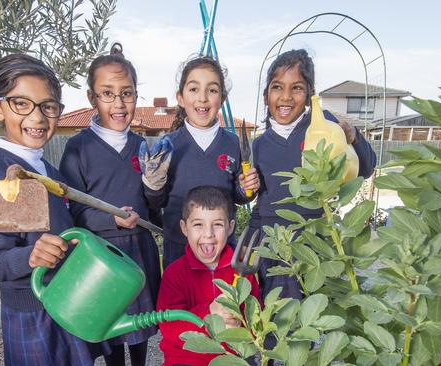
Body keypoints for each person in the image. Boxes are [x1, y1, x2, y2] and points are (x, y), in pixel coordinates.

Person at [0, 54, 106, 365]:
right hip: (34, 314)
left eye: (48, 106)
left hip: (64, 302)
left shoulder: (45, 171)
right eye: (22, 104)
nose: (38, 117)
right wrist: (31, 255)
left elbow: (67, 221)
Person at [59, 43, 159, 366]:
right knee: (112, 331)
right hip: (101, 257)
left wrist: (158, 191)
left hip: (139, 252)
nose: (119, 103)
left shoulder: (143, 147)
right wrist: (111, 221)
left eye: (127, 93)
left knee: (139, 330)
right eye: (107, 93)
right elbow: (72, 210)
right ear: (92, 98)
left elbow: (154, 203)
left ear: (135, 96)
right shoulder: (78, 149)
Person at [250, 49, 377, 300]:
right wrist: (250, 243)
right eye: (277, 87)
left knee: (303, 316)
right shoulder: (260, 144)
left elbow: (365, 167)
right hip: (273, 243)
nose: (285, 97)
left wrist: (353, 136)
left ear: (309, 95)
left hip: (312, 239)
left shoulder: (323, 126)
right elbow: (261, 200)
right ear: (266, 96)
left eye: (296, 88)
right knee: (271, 312)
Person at [141, 56, 260, 269]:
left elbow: (238, 197)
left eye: (212, 90)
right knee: (179, 303)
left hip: (222, 250)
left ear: (222, 99)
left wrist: (246, 189)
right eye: (194, 89)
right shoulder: (168, 146)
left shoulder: (233, 143)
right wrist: (153, 186)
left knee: (224, 303)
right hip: (179, 249)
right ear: (180, 97)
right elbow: (156, 203)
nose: (203, 98)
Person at [156, 186, 261, 366]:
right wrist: (209, 314)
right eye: (198, 224)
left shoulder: (243, 272)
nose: (208, 234)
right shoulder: (175, 273)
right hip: (186, 359)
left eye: (218, 224)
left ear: (230, 227)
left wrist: (239, 325)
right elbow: (169, 327)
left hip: (234, 359)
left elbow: (257, 321)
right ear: (184, 227)